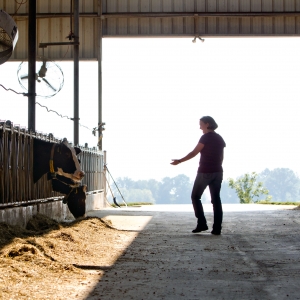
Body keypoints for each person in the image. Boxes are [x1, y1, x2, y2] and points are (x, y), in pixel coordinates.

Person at [171, 116, 226, 235]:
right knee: (216, 200)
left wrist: (179, 161)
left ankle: (202, 223)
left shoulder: (205, 137)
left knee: (195, 196)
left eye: (201, 124)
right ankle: (217, 229)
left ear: (207, 124)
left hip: (205, 172)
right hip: (218, 172)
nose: (199, 126)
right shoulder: (219, 138)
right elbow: (221, 157)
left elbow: (194, 153)